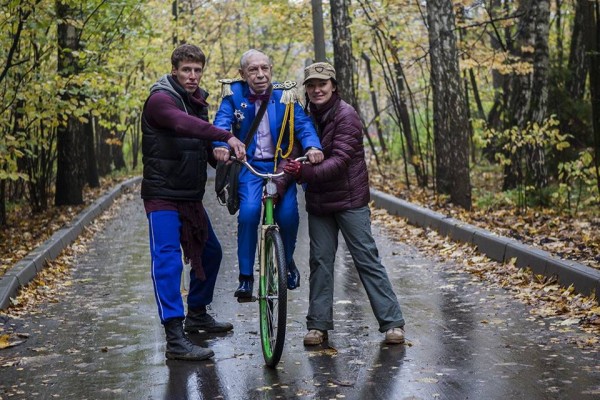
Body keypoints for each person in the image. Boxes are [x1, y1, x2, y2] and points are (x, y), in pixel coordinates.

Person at [284, 62, 406, 346]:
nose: (317, 90)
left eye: (322, 84)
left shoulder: (346, 115)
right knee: (320, 262)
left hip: (350, 201)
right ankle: (318, 326)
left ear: (333, 86)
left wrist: (302, 173)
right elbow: (294, 152)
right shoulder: (303, 117)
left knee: (366, 259)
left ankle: (392, 323)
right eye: (311, 85)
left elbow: (338, 163)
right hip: (319, 202)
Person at [141, 44, 247, 361]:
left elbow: (198, 145)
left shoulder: (196, 102)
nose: (192, 75)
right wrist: (224, 136)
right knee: (168, 262)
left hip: (189, 196)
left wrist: (220, 157)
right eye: (186, 69)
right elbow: (182, 125)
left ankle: (197, 315)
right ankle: (175, 338)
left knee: (210, 253)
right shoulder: (161, 98)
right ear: (174, 69)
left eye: (197, 70)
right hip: (161, 195)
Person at [212, 49, 324, 299]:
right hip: (249, 166)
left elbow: (303, 125)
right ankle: (246, 278)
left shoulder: (285, 95)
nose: (260, 74)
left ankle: (287, 263)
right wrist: (220, 145)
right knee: (249, 213)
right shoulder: (233, 95)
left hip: (279, 167)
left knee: (288, 215)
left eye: (265, 68)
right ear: (242, 74)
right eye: (253, 69)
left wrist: (313, 146)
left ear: (271, 69)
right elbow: (221, 123)